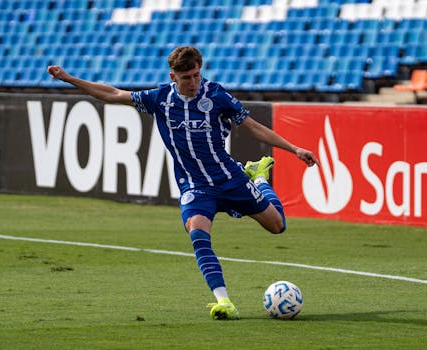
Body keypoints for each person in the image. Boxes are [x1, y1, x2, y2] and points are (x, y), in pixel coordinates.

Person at [48, 46, 319, 320]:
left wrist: (294, 149)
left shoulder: (216, 95)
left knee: (277, 226)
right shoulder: (160, 99)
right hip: (194, 185)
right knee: (198, 234)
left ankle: (258, 177)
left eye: (196, 75)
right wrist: (70, 78)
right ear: (173, 77)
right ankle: (223, 301)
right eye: (186, 77)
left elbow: (253, 127)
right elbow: (113, 94)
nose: (193, 83)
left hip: (229, 178)